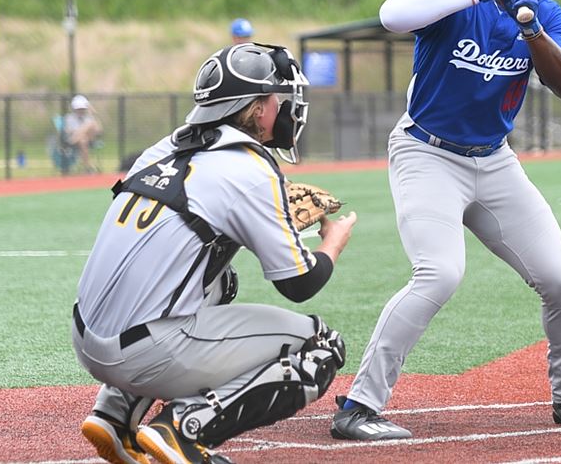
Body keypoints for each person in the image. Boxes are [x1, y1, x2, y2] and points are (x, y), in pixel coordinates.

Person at [330, 0, 561, 441]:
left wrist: (528, 24)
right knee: (438, 273)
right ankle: (358, 406)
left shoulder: (546, 10)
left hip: (494, 161)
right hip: (426, 153)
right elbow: (392, 14)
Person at [72, 43, 358, 464]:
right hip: (146, 352)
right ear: (258, 109)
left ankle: (114, 414)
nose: (283, 108)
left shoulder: (163, 149)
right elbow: (299, 284)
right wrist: (332, 244)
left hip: (87, 335)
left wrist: (264, 214)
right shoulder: (250, 168)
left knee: (222, 280)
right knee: (321, 347)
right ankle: (185, 428)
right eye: (276, 99)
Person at [64, 94, 103, 173]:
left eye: (82, 109)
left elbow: (99, 130)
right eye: (79, 109)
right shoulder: (69, 118)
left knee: (90, 124)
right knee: (83, 140)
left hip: (89, 139)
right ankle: (88, 166)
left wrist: (93, 114)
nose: (81, 111)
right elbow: (68, 130)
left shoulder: (89, 117)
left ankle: (74, 139)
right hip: (79, 141)